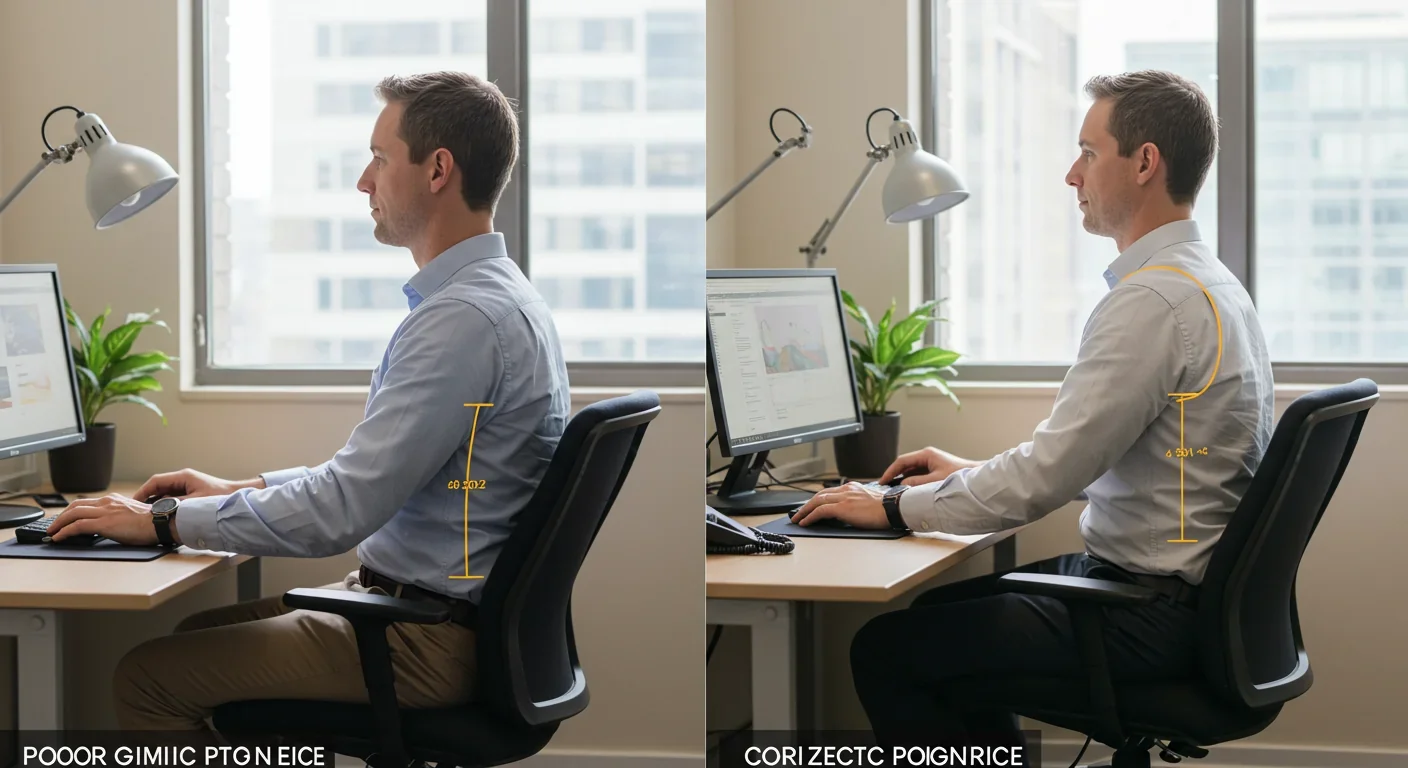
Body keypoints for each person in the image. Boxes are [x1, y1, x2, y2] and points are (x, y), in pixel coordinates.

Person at [46, 71, 569, 736]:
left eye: (380, 158)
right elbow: (375, 476)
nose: (363, 181)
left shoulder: (463, 319)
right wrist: (242, 486)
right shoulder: (498, 298)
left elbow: (341, 511)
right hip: (432, 615)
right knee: (196, 634)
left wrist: (164, 521)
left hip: (424, 637)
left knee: (146, 679)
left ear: (438, 169)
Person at [789, 70, 1274, 752]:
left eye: (1088, 152)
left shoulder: (1153, 302)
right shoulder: (1208, 285)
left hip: (1148, 610)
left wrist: (893, 507)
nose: (1071, 176)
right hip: (1174, 598)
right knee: (934, 617)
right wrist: (972, 471)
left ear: (1144, 163)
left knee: (888, 651)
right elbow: (1123, 456)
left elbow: (1045, 477)